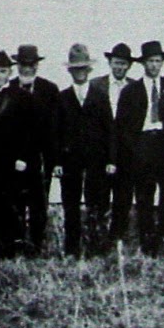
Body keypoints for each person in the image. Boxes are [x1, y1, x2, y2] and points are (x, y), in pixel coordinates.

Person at [116, 40, 164, 255]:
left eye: (158, 61)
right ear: (143, 63)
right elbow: (122, 126)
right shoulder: (131, 91)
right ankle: (148, 246)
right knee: (144, 197)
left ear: (163, 63)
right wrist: (135, 149)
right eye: (150, 61)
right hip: (142, 145)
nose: (154, 65)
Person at [0, 50, 35, 257]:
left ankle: (14, 248)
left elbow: (29, 131)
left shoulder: (22, 97)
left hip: (12, 162)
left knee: (13, 205)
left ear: (10, 72)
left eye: (2, 71)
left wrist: (22, 157)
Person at [54, 43, 110, 258]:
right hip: (70, 160)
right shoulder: (63, 97)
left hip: (96, 159)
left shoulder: (99, 95)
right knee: (71, 206)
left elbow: (109, 130)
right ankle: (72, 250)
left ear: (89, 70)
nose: (79, 72)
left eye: (83, 68)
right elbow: (56, 132)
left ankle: (96, 249)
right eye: (75, 68)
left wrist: (109, 159)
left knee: (95, 203)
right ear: (70, 71)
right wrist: (58, 161)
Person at [11, 43, 61, 253]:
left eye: (31, 65)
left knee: (39, 204)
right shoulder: (10, 88)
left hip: (41, 157)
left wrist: (55, 159)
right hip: (15, 157)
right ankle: (18, 243)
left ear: (37, 66)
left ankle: (37, 246)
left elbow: (56, 127)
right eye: (23, 65)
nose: (27, 69)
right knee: (16, 201)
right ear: (17, 65)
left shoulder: (49, 90)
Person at [91, 44, 134, 244]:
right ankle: (98, 237)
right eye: (116, 63)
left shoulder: (135, 87)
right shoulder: (96, 85)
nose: (119, 67)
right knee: (100, 195)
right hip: (100, 150)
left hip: (125, 150)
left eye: (123, 64)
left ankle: (118, 237)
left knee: (123, 197)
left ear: (128, 66)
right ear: (110, 63)